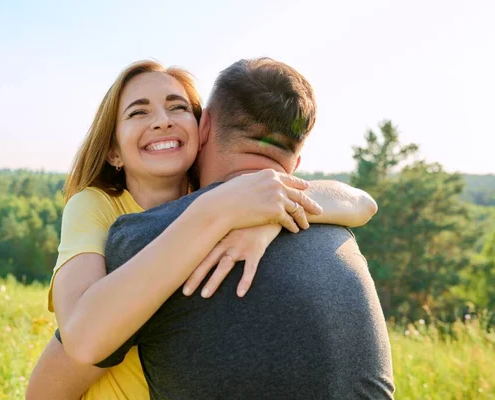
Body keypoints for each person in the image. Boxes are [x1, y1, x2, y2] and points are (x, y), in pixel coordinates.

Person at [26, 59, 384, 400]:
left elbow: (363, 202)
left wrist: (268, 215)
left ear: (202, 128)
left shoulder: (245, 205)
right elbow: (76, 343)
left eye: (178, 107)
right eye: (138, 112)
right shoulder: (108, 216)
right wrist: (218, 211)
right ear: (113, 152)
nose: (162, 121)